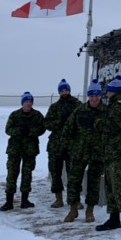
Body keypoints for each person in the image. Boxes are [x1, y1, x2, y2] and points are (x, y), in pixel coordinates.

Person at [95, 75, 121, 235]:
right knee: (111, 185)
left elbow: (113, 125)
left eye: (108, 92)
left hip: (120, 151)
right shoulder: (115, 103)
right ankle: (114, 219)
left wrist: (96, 122)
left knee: (120, 185)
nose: (106, 94)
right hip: (112, 151)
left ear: (114, 91)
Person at [62, 79, 106, 223]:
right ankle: (73, 209)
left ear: (100, 96)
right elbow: (68, 129)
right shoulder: (80, 110)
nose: (94, 98)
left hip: (96, 154)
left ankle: (89, 210)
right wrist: (67, 147)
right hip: (78, 152)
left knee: (93, 183)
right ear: (88, 96)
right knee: (73, 182)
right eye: (92, 95)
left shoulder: (106, 112)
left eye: (97, 95)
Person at [0, 92, 46, 211]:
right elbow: (8, 129)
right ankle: (9, 202)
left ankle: (25, 201)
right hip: (15, 150)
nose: (28, 103)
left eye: (30, 101)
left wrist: (30, 131)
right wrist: (19, 131)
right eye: (26, 101)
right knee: (12, 174)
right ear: (22, 103)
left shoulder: (37, 115)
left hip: (30, 150)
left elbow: (42, 129)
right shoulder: (14, 115)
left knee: (27, 175)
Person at [43, 78, 82, 209]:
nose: (64, 92)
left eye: (66, 90)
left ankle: (75, 200)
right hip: (56, 145)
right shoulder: (54, 107)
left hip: (72, 145)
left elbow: (84, 121)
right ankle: (58, 199)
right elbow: (47, 123)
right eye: (62, 90)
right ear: (59, 92)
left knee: (74, 174)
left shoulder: (77, 105)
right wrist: (58, 122)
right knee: (55, 173)